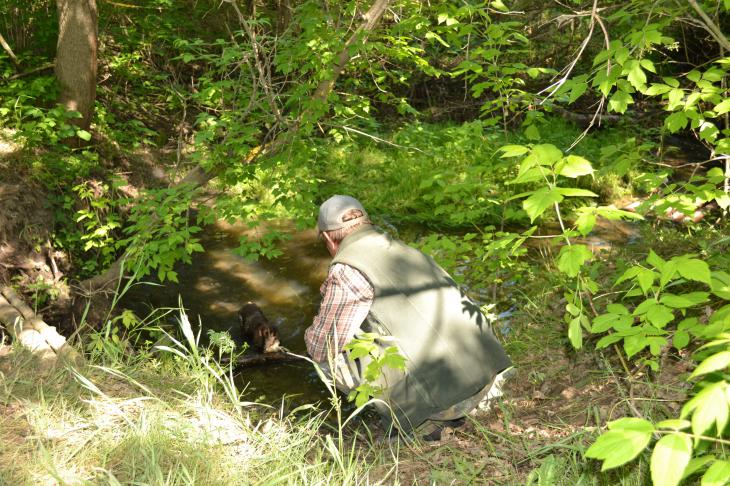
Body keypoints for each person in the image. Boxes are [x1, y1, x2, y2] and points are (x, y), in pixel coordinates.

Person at [304, 195, 512, 439]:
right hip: (486, 373)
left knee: (327, 358)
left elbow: (322, 346)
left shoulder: (347, 270)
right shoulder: (403, 249)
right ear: (367, 223)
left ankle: (423, 420)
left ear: (328, 238)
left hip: (449, 400)